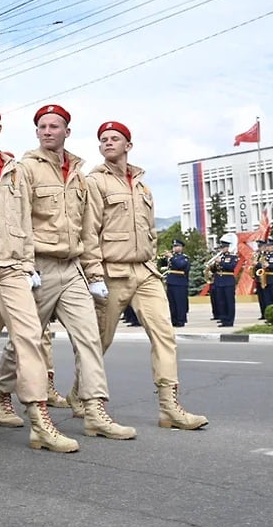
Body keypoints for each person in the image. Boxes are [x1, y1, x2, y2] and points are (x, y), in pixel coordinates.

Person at [0, 103, 75, 453]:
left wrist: (27, 264)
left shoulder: (13, 169)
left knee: (30, 337)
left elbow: (23, 221)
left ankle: (40, 422)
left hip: (11, 268)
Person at [12, 104, 135, 439]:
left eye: (55, 126)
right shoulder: (26, 169)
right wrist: (25, 265)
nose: (48, 131)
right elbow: (19, 220)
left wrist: (94, 274)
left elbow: (86, 229)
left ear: (67, 131)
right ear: (37, 132)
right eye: (42, 127)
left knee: (89, 338)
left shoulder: (79, 174)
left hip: (73, 269)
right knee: (26, 342)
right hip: (40, 267)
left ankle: (94, 410)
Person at [85, 121, 208, 430]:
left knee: (165, 335)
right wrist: (94, 274)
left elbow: (150, 233)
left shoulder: (142, 185)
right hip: (113, 272)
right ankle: (82, 396)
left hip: (146, 272)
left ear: (129, 145)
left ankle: (169, 407)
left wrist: (152, 260)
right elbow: (89, 233)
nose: (108, 143)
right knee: (100, 341)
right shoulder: (95, 182)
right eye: (103, 140)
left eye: (115, 139)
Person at [206, 239, 239, 327]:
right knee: (221, 302)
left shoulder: (233, 257)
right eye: (221, 248)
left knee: (229, 301)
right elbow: (214, 270)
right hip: (219, 281)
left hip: (228, 281)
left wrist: (221, 262)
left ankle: (230, 320)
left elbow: (231, 267)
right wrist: (211, 266)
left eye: (223, 248)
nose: (222, 249)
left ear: (227, 248)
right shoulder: (220, 257)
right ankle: (223, 319)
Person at [165, 238, 190, 327]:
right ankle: (174, 320)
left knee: (180, 302)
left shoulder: (184, 257)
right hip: (171, 281)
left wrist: (171, 257)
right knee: (172, 303)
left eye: (176, 246)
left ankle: (180, 320)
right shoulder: (173, 258)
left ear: (181, 247)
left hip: (180, 282)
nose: (174, 248)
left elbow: (180, 265)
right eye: (174, 246)